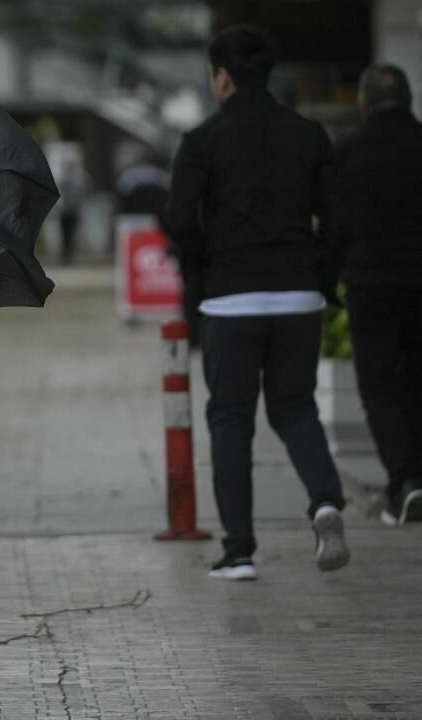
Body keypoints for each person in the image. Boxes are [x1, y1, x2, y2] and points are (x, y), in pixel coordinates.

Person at [165, 26, 351, 581]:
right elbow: (339, 222)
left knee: (230, 419)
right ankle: (324, 502)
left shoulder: (202, 140)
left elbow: (178, 220)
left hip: (230, 300)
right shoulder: (310, 135)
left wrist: (202, 274)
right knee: (295, 407)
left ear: (221, 77)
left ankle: (240, 551)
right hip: (299, 295)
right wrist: (321, 276)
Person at [329, 65, 422, 525]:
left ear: (363, 103)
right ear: (408, 100)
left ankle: (405, 481)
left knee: (379, 386)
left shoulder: (347, 151)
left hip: (370, 286)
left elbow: (329, 225)